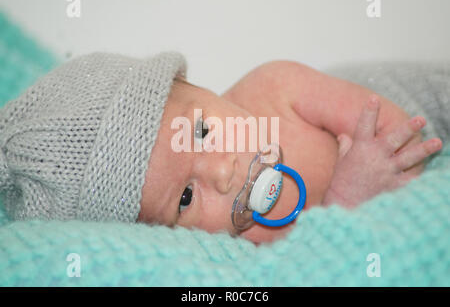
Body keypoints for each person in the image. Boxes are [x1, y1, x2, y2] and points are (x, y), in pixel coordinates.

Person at [0, 52, 443, 244]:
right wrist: (344, 207)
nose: (221, 173)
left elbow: (407, 134)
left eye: (201, 132)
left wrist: (368, 169)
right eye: (186, 198)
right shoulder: (241, 250)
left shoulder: (278, 88)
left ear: (198, 86)